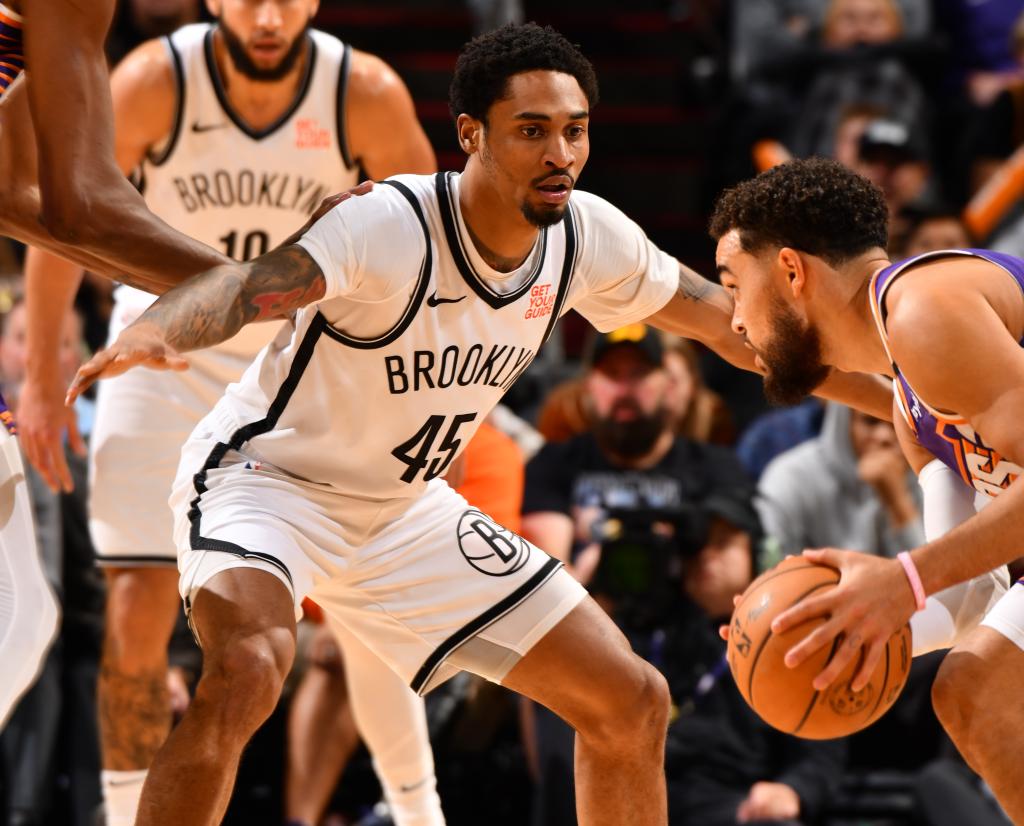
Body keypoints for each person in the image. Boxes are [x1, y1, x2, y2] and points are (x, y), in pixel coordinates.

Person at [66, 25, 890, 826]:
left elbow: (734, 328)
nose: (560, 154)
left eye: (575, 131)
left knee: (632, 700)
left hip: (402, 510)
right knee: (249, 669)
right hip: (268, 485)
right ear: (472, 135)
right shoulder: (389, 224)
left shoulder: (585, 237)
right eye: (532, 131)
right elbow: (254, 285)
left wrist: (900, 403)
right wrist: (162, 324)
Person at [19, 2, 439, 824]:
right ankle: (122, 808)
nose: (270, 14)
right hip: (162, 353)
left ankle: (420, 812)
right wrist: (41, 371)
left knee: (365, 607)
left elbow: (425, 242)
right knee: (136, 606)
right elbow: (53, 217)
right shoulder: (153, 81)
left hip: (303, 363)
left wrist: (416, 391)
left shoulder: (365, 94)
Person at [708, 155, 1024, 822]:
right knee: (968, 690)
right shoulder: (910, 408)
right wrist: (821, 621)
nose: (735, 320)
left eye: (734, 285)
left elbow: (926, 574)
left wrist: (902, 580)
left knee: (975, 688)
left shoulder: (927, 308)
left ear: (792, 272)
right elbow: (970, 586)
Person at [518, 325, 766, 824]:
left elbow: (727, 586)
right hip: (586, 641)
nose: (624, 388)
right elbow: (543, 582)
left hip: (690, 649)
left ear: (667, 386)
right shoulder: (557, 463)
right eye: (611, 375)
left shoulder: (713, 466)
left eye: (638, 374)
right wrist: (596, 574)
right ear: (589, 386)